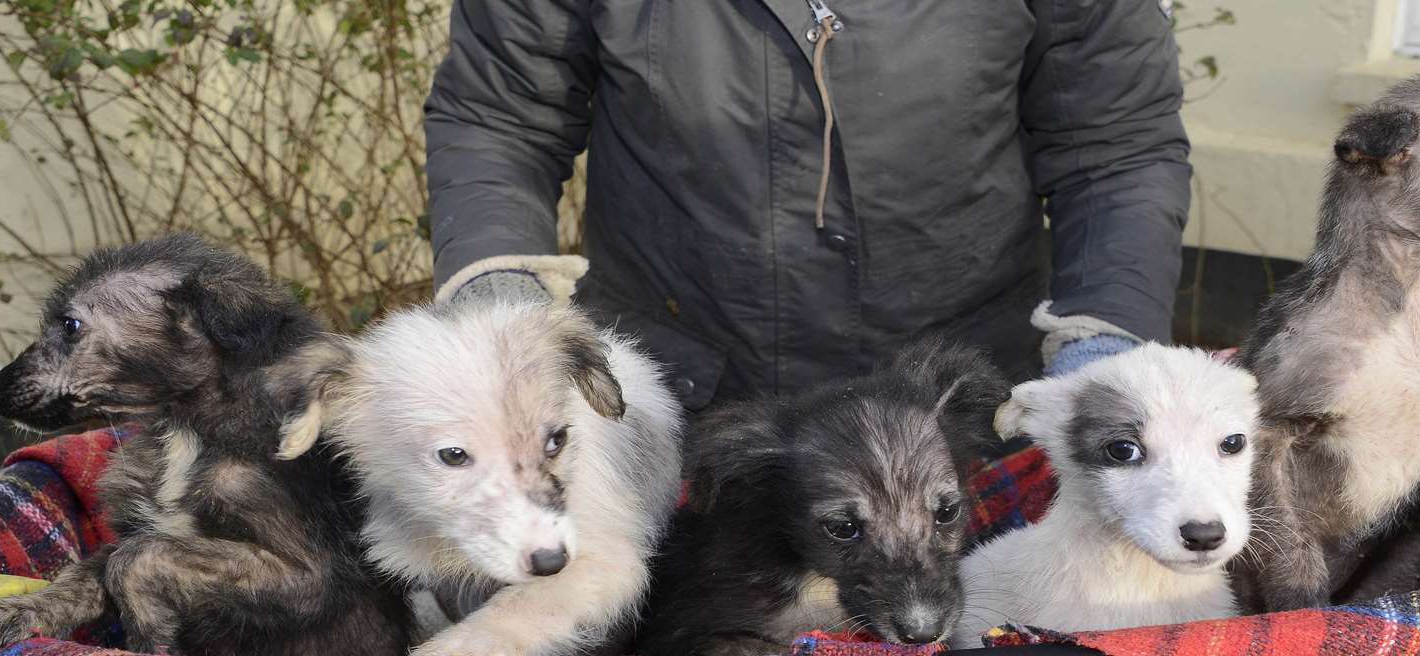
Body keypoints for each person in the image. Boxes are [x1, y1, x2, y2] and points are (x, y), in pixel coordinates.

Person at [424, 0, 1192, 409]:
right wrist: (501, 293)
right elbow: (500, 120)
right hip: (674, 409)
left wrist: (1104, 339)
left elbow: (1115, 146)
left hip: (962, 410)